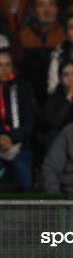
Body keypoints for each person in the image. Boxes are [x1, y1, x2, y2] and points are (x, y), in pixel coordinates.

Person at [0, 48, 35, 190]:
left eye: (7, 65)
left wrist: (11, 138)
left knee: (24, 180)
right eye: (0, 65)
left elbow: (29, 122)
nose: (4, 69)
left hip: (19, 143)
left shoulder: (23, 87)